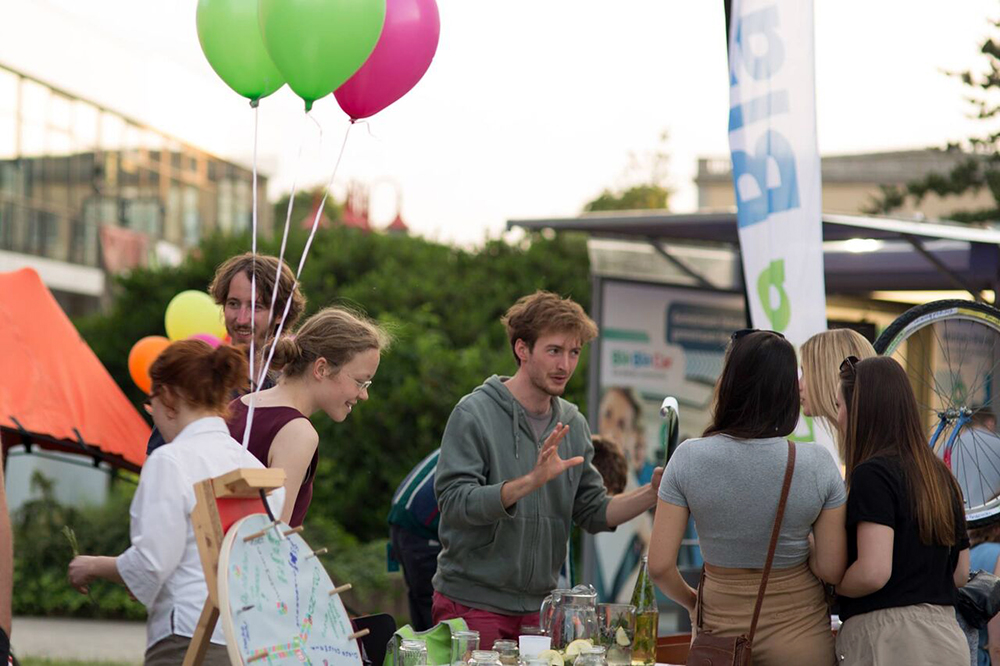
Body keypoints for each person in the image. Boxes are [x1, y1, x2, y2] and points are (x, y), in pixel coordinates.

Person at [432, 291, 665, 648]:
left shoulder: (573, 422)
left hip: (541, 613)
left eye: (574, 352)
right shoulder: (473, 413)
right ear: (522, 350)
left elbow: (594, 511)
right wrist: (529, 482)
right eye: (554, 351)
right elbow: (455, 504)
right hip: (473, 604)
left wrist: (651, 493)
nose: (565, 365)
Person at [67, 340, 285, 665]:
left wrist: (93, 566)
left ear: (168, 396)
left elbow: (153, 564)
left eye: (150, 400)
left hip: (187, 636)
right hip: (250, 641)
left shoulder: (170, 461)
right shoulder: (253, 466)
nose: (152, 411)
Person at [649, 329, 847, 666]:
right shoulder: (816, 463)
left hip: (719, 643)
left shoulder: (688, 459)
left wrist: (693, 602)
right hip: (801, 643)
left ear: (728, 384)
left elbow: (660, 566)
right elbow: (831, 568)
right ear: (786, 392)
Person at [388, 435, 628, 631]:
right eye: (600, 495)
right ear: (594, 478)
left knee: (426, 615)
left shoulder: (550, 447)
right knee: (435, 631)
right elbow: (555, 546)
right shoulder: (553, 469)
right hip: (420, 521)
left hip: (408, 509)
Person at [834, 355, 970, 665]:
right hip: (946, 636)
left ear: (860, 412)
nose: (838, 417)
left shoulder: (872, 474)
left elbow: (873, 571)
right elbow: (960, 573)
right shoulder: (940, 476)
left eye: (839, 406)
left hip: (890, 641)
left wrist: (835, 585)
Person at [228, 307, 392, 527]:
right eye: (361, 382)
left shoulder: (237, 405)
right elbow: (272, 537)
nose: (364, 395)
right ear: (321, 369)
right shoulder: (298, 433)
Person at [147, 252, 306, 455]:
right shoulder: (193, 376)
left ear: (280, 314)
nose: (241, 319)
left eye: (255, 307)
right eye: (233, 304)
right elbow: (158, 459)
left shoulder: (288, 388)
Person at [799, 328, 876, 465]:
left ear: (826, 375)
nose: (799, 385)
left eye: (805, 372)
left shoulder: (870, 460)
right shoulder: (868, 448)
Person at [968, 522, 1000, 665]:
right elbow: (997, 642)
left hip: (966, 654)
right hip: (988, 658)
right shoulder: (998, 555)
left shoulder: (966, 556)